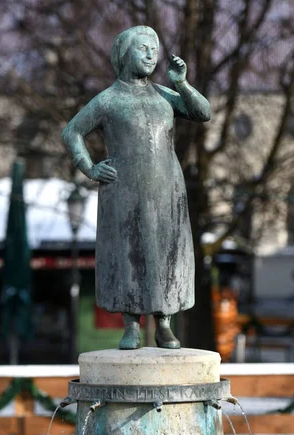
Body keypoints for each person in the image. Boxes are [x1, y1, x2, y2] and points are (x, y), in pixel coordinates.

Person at [62, 25, 211, 350]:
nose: (150, 54)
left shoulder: (163, 95)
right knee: (127, 252)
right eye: (142, 48)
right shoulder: (109, 99)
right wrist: (89, 167)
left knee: (166, 254)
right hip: (123, 188)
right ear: (123, 54)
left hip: (166, 187)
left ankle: (164, 324)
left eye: (153, 50)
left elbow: (203, 112)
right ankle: (131, 324)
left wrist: (181, 83)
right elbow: (72, 132)